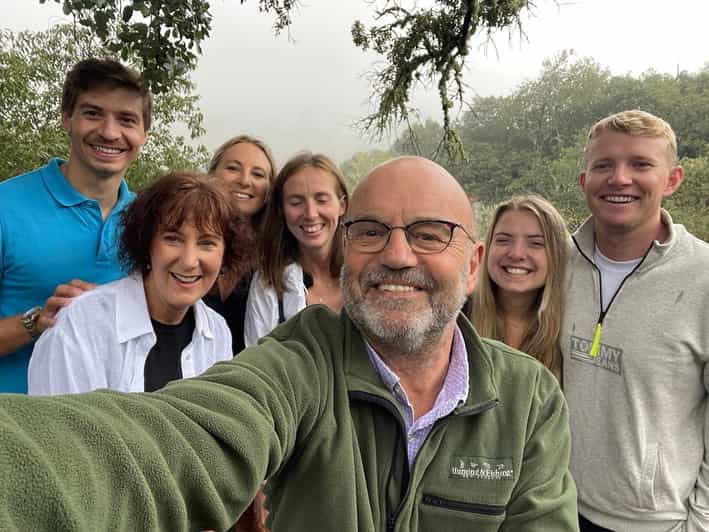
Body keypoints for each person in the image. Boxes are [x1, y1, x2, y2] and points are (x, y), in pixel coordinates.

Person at [0, 156, 577, 531]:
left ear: (473, 264)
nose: (397, 255)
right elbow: (183, 437)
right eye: (371, 232)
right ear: (345, 252)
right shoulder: (300, 360)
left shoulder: (529, 400)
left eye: (429, 234)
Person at [562, 110, 709, 532]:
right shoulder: (557, 263)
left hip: (656, 523)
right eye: (603, 165)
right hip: (554, 505)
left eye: (641, 164)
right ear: (584, 181)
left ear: (673, 179)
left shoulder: (703, 277)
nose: (619, 178)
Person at [0, 58, 151, 393]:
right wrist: (35, 322)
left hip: (106, 432)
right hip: (15, 431)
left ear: (143, 133)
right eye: (93, 113)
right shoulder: (6, 207)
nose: (110, 133)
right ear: (67, 118)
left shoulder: (151, 221)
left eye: (126, 120)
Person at [28, 172, 245, 394]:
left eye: (207, 243)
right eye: (172, 239)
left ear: (225, 253)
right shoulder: (79, 326)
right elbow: (59, 426)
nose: (189, 261)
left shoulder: (218, 333)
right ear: (146, 242)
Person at [244, 152, 348, 346]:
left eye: (322, 199)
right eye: (296, 202)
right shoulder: (268, 284)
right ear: (282, 210)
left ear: (342, 205)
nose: (310, 213)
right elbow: (257, 365)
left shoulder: (366, 272)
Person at [469, 194, 568, 379]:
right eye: (503, 240)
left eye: (536, 243)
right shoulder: (458, 317)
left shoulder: (571, 329)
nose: (516, 253)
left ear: (557, 255)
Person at [203, 135, 277, 355]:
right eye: (233, 168)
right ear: (212, 174)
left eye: (258, 174)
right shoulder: (185, 243)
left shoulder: (276, 257)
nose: (245, 180)